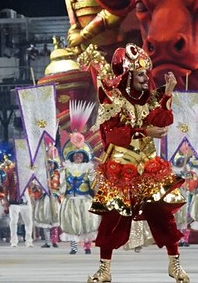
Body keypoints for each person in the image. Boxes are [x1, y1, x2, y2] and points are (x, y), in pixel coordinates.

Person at [77, 44, 190, 283]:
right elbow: (112, 135)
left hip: (149, 166)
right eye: (140, 74)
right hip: (121, 167)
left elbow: (163, 118)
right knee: (113, 219)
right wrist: (142, 129)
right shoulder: (112, 98)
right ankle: (104, 269)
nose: (145, 78)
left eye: (146, 74)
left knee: (163, 216)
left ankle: (175, 264)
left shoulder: (149, 97)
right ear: (128, 74)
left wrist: (168, 91)